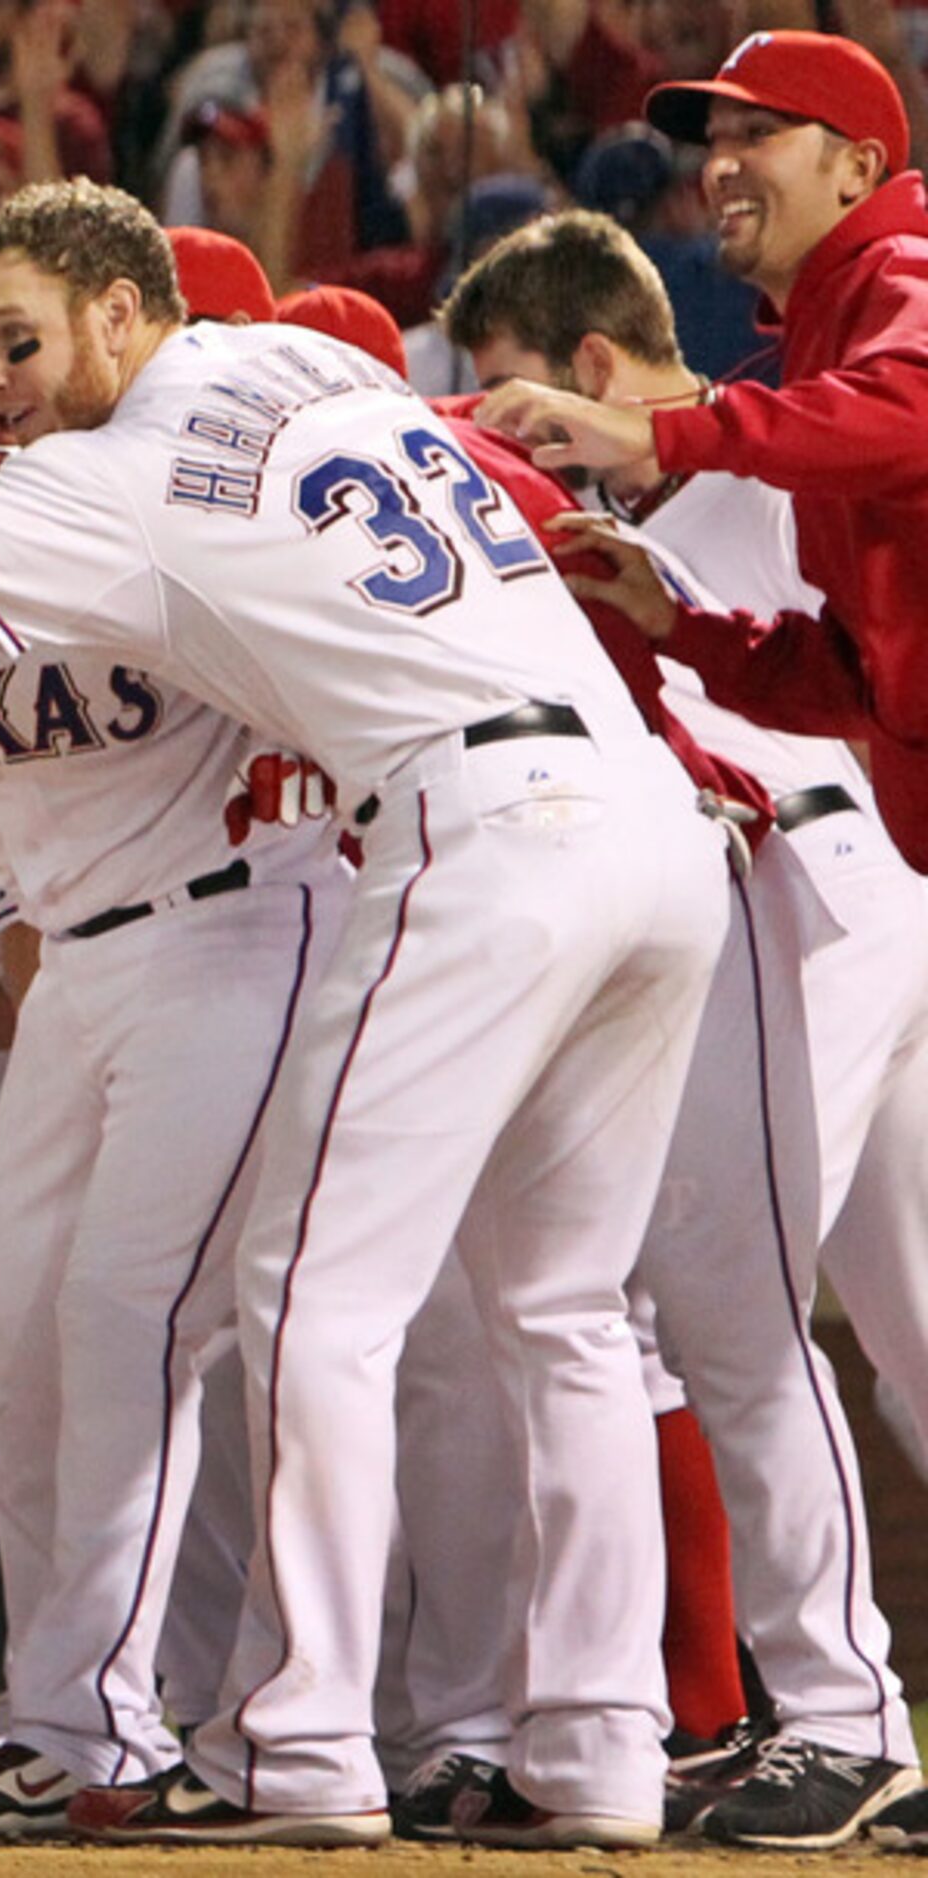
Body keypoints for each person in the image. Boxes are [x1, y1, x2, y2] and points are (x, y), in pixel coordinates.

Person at [0, 178, 729, 1847]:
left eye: (19, 338)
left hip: (463, 834)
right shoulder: (329, 380)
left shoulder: (117, 466)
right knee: (560, 1313)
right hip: (639, 821)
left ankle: (291, 1752)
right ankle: (596, 1745)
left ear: (121, 308)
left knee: (309, 1302)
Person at [448, 207, 928, 1847]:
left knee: (727, 1288)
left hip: (808, 871)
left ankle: (844, 1713)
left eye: (509, 396)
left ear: (588, 367)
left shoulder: (769, 459)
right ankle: (829, 1706)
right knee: (904, 1326)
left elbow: (845, 665)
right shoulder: (657, 518)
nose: (501, 436)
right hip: (834, 887)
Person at [476, 30, 928, 875]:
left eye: (758, 135)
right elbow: (849, 678)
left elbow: (914, 413)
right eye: (714, 142)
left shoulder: (904, 269)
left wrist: (657, 430)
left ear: (858, 169)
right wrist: (682, 626)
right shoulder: (830, 340)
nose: (720, 165)